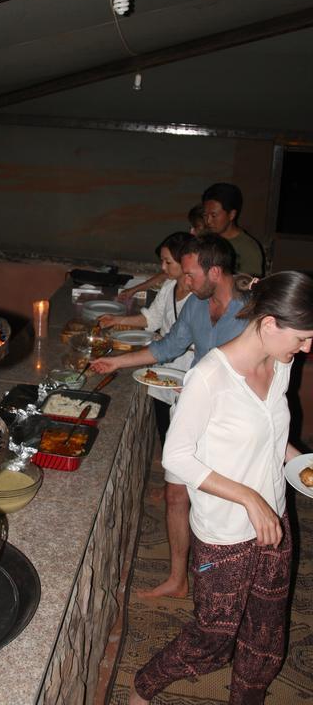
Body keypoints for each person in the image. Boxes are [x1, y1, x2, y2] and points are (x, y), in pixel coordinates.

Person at [130, 271, 313, 705]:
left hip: (273, 524)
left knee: (265, 638)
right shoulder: (210, 377)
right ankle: (143, 687)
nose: (307, 348)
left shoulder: (281, 363)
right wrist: (250, 498)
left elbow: (271, 431)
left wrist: (300, 463)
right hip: (225, 533)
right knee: (212, 637)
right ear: (270, 325)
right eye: (303, 337)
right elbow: (176, 457)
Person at [91, 234, 248, 597]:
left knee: (222, 508)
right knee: (175, 494)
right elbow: (167, 347)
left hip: (231, 422)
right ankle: (178, 579)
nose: (184, 282)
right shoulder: (196, 304)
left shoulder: (251, 310)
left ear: (216, 271)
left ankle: (226, 581)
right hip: (192, 410)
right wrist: (116, 361)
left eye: (190, 274)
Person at [99, 232, 194, 444]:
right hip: (164, 362)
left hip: (188, 365)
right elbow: (151, 319)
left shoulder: (198, 296)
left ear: (186, 262)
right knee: (164, 421)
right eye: (162, 261)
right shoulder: (169, 286)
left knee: (185, 427)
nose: (162, 268)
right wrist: (116, 320)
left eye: (168, 262)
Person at [202, 182, 265, 276]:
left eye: (214, 215)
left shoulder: (248, 248)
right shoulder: (204, 238)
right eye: (205, 215)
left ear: (231, 215)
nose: (208, 221)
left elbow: (249, 286)